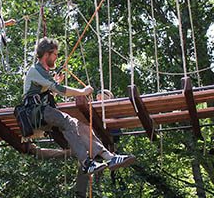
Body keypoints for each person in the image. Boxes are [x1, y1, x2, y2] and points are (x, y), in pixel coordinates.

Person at [23, 37, 135, 197]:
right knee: (68, 121)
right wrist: (81, 92)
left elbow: (50, 88)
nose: (56, 57)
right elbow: (59, 89)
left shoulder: (44, 73)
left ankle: (109, 157)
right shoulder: (35, 70)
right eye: (54, 54)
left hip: (43, 111)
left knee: (81, 126)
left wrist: (53, 84)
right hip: (34, 112)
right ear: (46, 54)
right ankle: (87, 163)